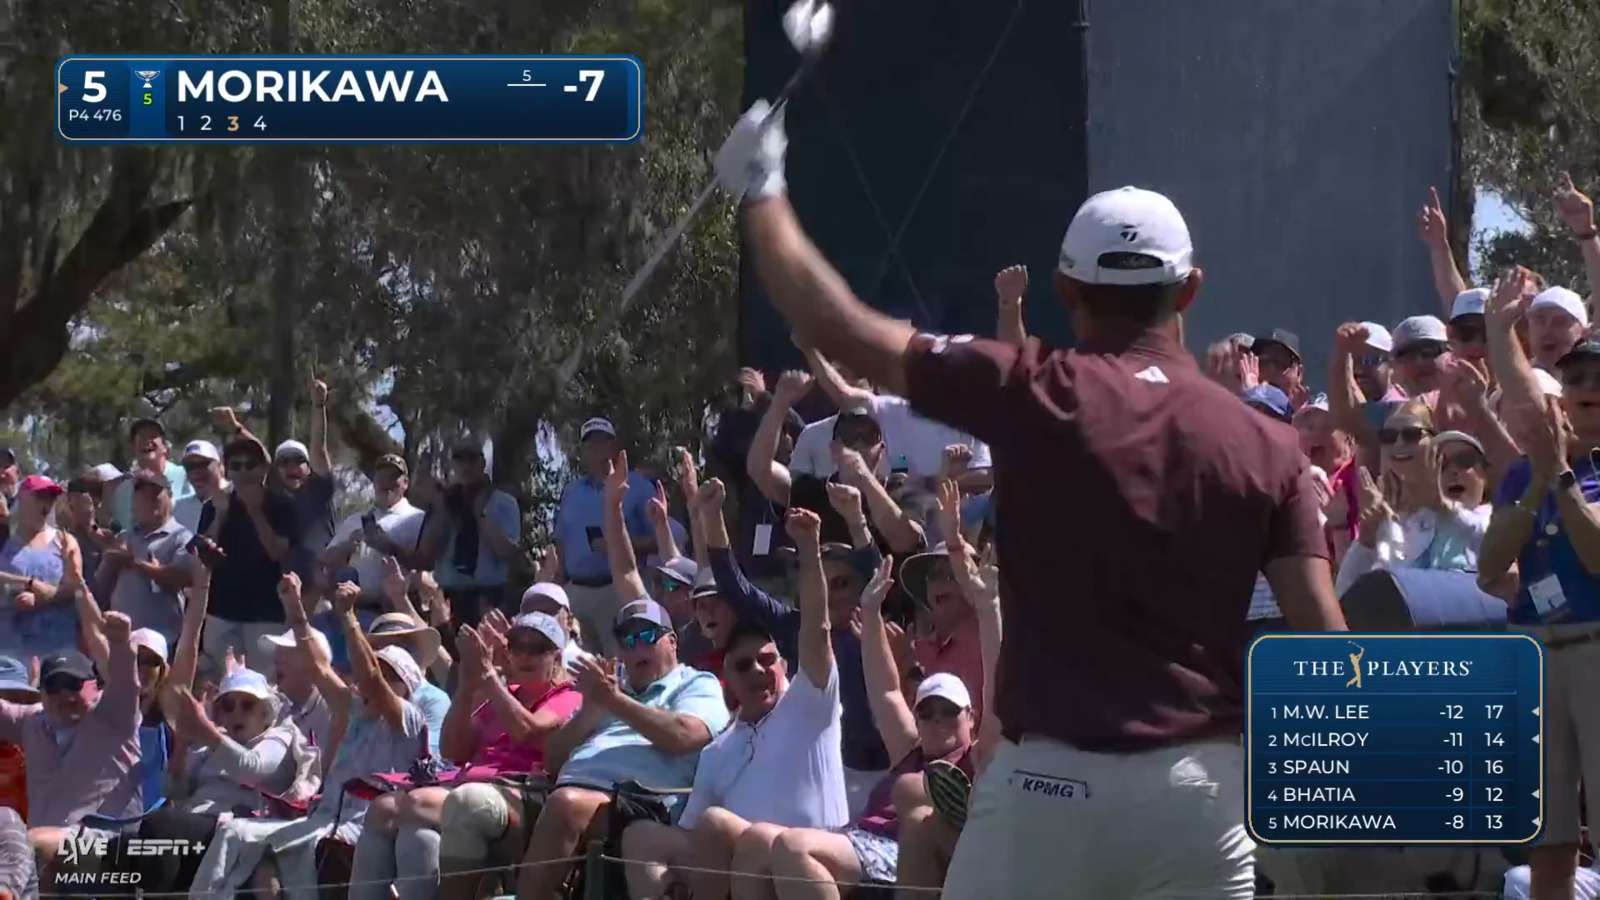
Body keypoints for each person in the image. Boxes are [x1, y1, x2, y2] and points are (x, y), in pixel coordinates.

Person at [715, 107, 1347, 897]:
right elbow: (1327, 646)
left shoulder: (1030, 390)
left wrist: (761, 185)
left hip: (1046, 791)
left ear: (1064, 289)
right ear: (1189, 289)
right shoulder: (1269, 445)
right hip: (1200, 797)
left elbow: (835, 325)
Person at [618, 508, 848, 900]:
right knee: (642, 836)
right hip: (740, 861)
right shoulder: (717, 750)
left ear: (785, 665)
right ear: (729, 678)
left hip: (814, 856)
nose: (758, 669)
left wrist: (809, 550)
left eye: (767, 660)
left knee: (731, 828)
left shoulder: (810, 704)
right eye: (744, 665)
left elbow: (816, 626)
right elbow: (694, 837)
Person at [189, 572, 428, 899]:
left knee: (282, 859)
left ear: (406, 687)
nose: (376, 680)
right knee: (234, 833)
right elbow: (318, 667)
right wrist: (295, 609)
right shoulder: (353, 709)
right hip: (318, 822)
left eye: (391, 676)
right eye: (380, 671)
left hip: (358, 832)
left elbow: (370, 677)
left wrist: (348, 617)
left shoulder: (407, 719)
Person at [1479, 327, 1600, 900]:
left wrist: (1562, 477)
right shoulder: (1522, 474)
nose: (1587, 388)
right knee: (1547, 833)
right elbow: (1489, 566)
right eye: (1575, 379)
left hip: (1594, 651)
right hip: (1532, 659)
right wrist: (1537, 481)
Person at [697, 475, 891, 818]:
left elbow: (879, 572)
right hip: (830, 773)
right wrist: (712, 516)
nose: (831, 593)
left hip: (888, 773)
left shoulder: (879, 627)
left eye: (842, 582)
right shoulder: (791, 627)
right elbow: (734, 585)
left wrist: (855, 519)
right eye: (820, 581)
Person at [357, 611, 581, 900]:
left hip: (521, 795)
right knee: (408, 830)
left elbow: (527, 730)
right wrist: (467, 683)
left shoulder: (568, 696)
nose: (525, 655)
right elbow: (454, 750)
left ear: (557, 658)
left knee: (413, 803)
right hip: (468, 787)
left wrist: (489, 679)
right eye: (517, 647)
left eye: (537, 648)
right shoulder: (503, 693)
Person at [515, 598, 729, 899]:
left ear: (672, 642)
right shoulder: (608, 689)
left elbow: (685, 736)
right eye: (627, 640)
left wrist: (615, 701)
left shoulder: (694, 683)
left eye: (646, 636)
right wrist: (591, 710)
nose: (636, 647)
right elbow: (552, 758)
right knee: (474, 807)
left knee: (565, 805)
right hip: (569, 792)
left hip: (645, 800)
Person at [0, 612, 141, 865]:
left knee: (30, 844)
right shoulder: (31, 722)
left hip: (108, 845)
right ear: (41, 693)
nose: (65, 694)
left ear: (95, 686)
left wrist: (121, 644)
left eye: (74, 684)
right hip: (39, 852)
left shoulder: (116, 717)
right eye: (54, 686)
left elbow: (125, 684)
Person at [1334, 406, 1492, 596]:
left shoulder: (1490, 517)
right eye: (1388, 437)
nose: (1452, 471)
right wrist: (1366, 539)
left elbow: (1496, 548)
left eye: (1465, 461)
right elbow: (1344, 592)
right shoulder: (1407, 522)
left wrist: (1446, 508)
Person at [553, 418, 657, 655]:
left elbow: (660, 541)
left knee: (621, 666)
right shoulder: (571, 491)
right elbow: (560, 542)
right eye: (590, 445)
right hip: (576, 594)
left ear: (614, 446)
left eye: (602, 442)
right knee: (576, 668)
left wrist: (618, 544)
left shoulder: (638, 487)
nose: (597, 450)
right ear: (583, 452)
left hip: (617, 591)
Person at [198, 436, 297, 675]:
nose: (243, 471)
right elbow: (202, 555)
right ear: (227, 470)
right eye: (236, 465)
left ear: (263, 469)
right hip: (221, 611)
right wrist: (220, 517)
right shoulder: (214, 505)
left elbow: (277, 552)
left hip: (266, 613)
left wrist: (255, 511)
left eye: (250, 464)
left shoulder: (283, 506)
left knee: (264, 685)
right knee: (221, 685)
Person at [416, 439, 521, 627]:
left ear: (482, 464)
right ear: (452, 464)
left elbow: (507, 552)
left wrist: (480, 515)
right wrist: (441, 509)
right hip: (448, 596)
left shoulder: (503, 502)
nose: (466, 466)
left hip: (488, 596)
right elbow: (426, 555)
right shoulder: (445, 502)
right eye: (459, 460)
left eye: (471, 460)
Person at [100, 471, 194, 646]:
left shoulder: (181, 536)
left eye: (156, 494)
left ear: (170, 497)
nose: (150, 500)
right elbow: (101, 586)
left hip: (160, 641)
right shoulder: (125, 537)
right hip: (121, 638)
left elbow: (186, 576)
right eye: (142, 494)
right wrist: (110, 558)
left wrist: (138, 564)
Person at [323, 454, 427, 607]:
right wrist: (348, 545)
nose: (386, 483)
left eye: (393, 477)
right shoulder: (355, 520)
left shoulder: (419, 518)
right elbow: (326, 559)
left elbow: (427, 566)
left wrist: (391, 548)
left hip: (400, 609)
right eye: (381, 477)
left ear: (405, 483)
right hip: (357, 607)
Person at [0, 476, 85, 661]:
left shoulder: (64, 540)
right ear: (23, 498)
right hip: (12, 652)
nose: (46, 503)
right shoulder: (5, 542)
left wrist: (39, 600)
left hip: (59, 649)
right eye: (40, 497)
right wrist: (28, 583)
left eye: (51, 497)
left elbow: (75, 587)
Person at [106, 418, 192, 539]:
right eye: (141, 437)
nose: (147, 441)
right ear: (132, 448)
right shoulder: (123, 491)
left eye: (153, 436)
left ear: (165, 446)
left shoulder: (185, 476)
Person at [174, 440, 227, 534]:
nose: (196, 471)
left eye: (202, 464)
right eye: (190, 466)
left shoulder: (236, 497)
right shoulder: (179, 508)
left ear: (219, 465)